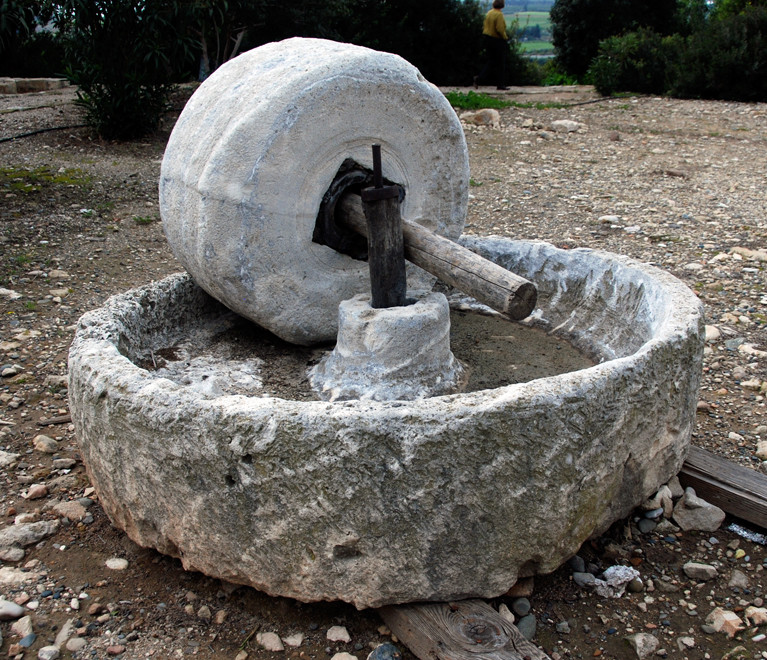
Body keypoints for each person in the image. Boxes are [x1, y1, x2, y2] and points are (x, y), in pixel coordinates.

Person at [475, 0, 510, 91]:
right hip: (497, 40)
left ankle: (479, 79)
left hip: (487, 38)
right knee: (500, 62)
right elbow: (500, 29)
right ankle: (500, 84)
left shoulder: (489, 13)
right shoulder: (499, 14)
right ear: (502, 5)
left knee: (491, 61)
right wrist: (505, 37)